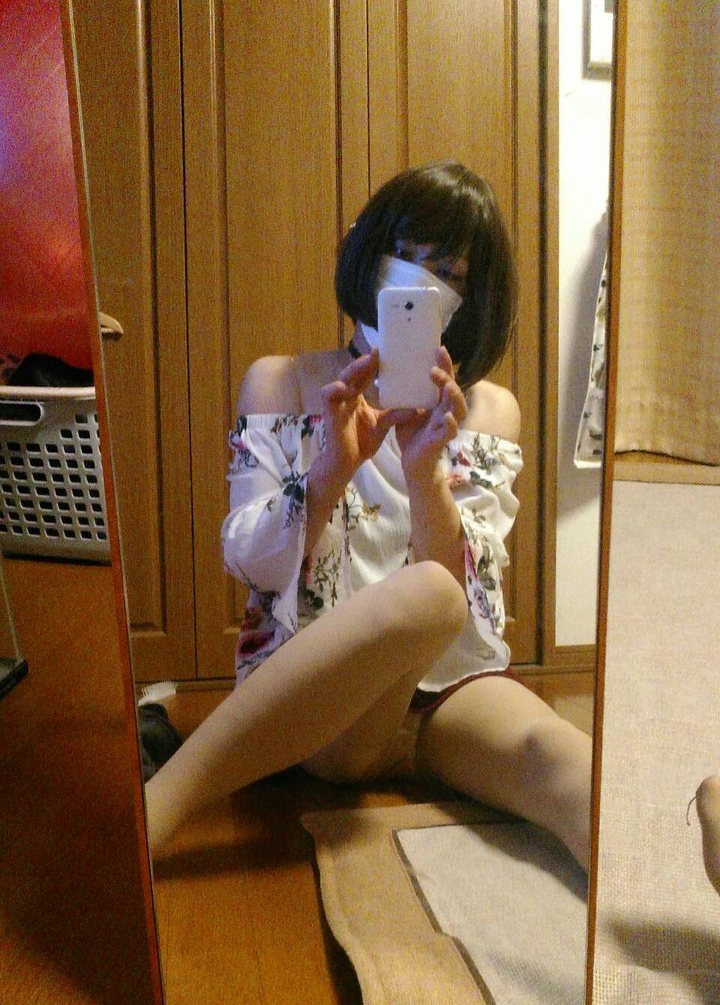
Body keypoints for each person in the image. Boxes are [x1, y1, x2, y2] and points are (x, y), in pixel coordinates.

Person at [145, 161, 592, 869]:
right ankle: (159, 807)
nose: (417, 281)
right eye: (403, 254)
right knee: (428, 592)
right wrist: (332, 466)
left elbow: (471, 606)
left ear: (469, 299)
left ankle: (679, 866)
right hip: (318, 705)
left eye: (446, 271)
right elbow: (252, 563)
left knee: (561, 758)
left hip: (448, 699)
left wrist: (425, 474)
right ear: (367, 250)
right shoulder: (282, 381)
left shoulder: (486, 411)